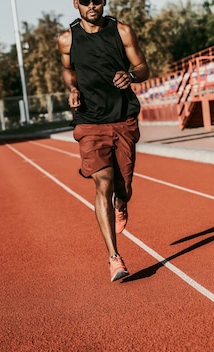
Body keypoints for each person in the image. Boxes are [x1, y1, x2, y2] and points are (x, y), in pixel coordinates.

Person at [57, 0, 149, 282]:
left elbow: (143, 66)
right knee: (103, 182)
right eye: (85, 1)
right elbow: (68, 69)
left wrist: (131, 75)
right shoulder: (67, 38)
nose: (92, 5)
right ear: (76, 3)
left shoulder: (122, 32)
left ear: (104, 1)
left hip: (123, 119)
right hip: (89, 122)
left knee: (123, 188)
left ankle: (121, 205)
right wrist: (72, 88)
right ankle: (114, 258)